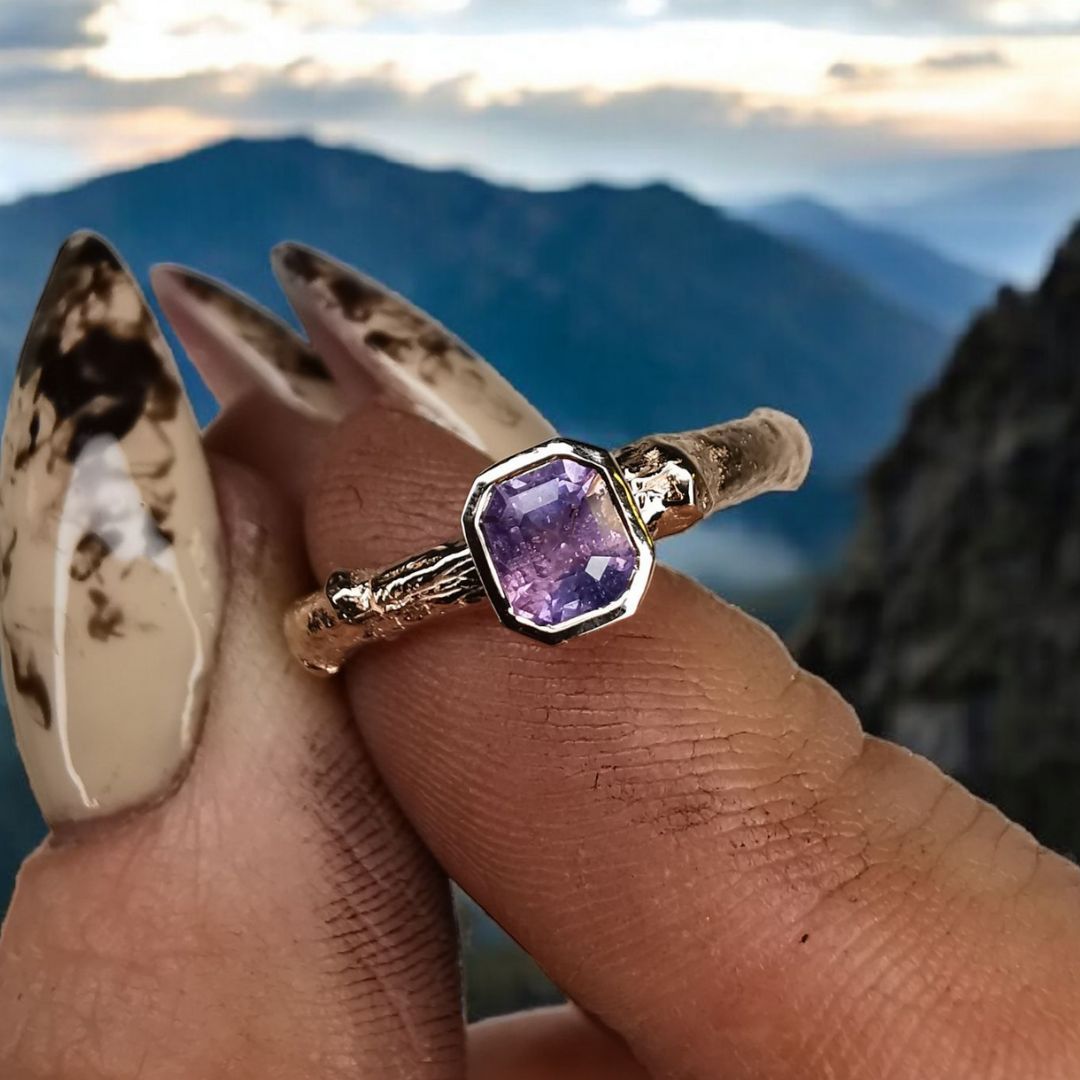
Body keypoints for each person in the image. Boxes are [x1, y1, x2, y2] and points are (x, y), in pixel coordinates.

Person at [1, 236, 1078, 1079]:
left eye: (664, 487)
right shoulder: (538, 527)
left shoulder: (586, 560)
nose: (653, 484)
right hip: (447, 569)